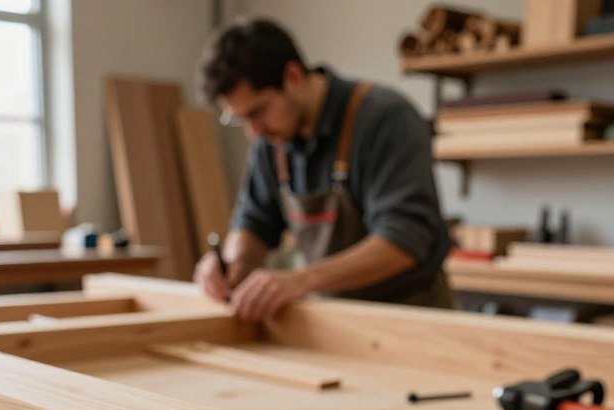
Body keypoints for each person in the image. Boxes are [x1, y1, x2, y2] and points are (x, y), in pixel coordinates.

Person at [194, 18, 454, 321]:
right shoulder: (272, 141)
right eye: (239, 119)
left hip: (409, 317)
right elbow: (254, 222)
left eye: (257, 112)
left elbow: (404, 241)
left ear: (293, 76)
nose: (253, 132)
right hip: (332, 319)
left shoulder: (385, 118)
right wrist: (231, 264)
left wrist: (301, 280)